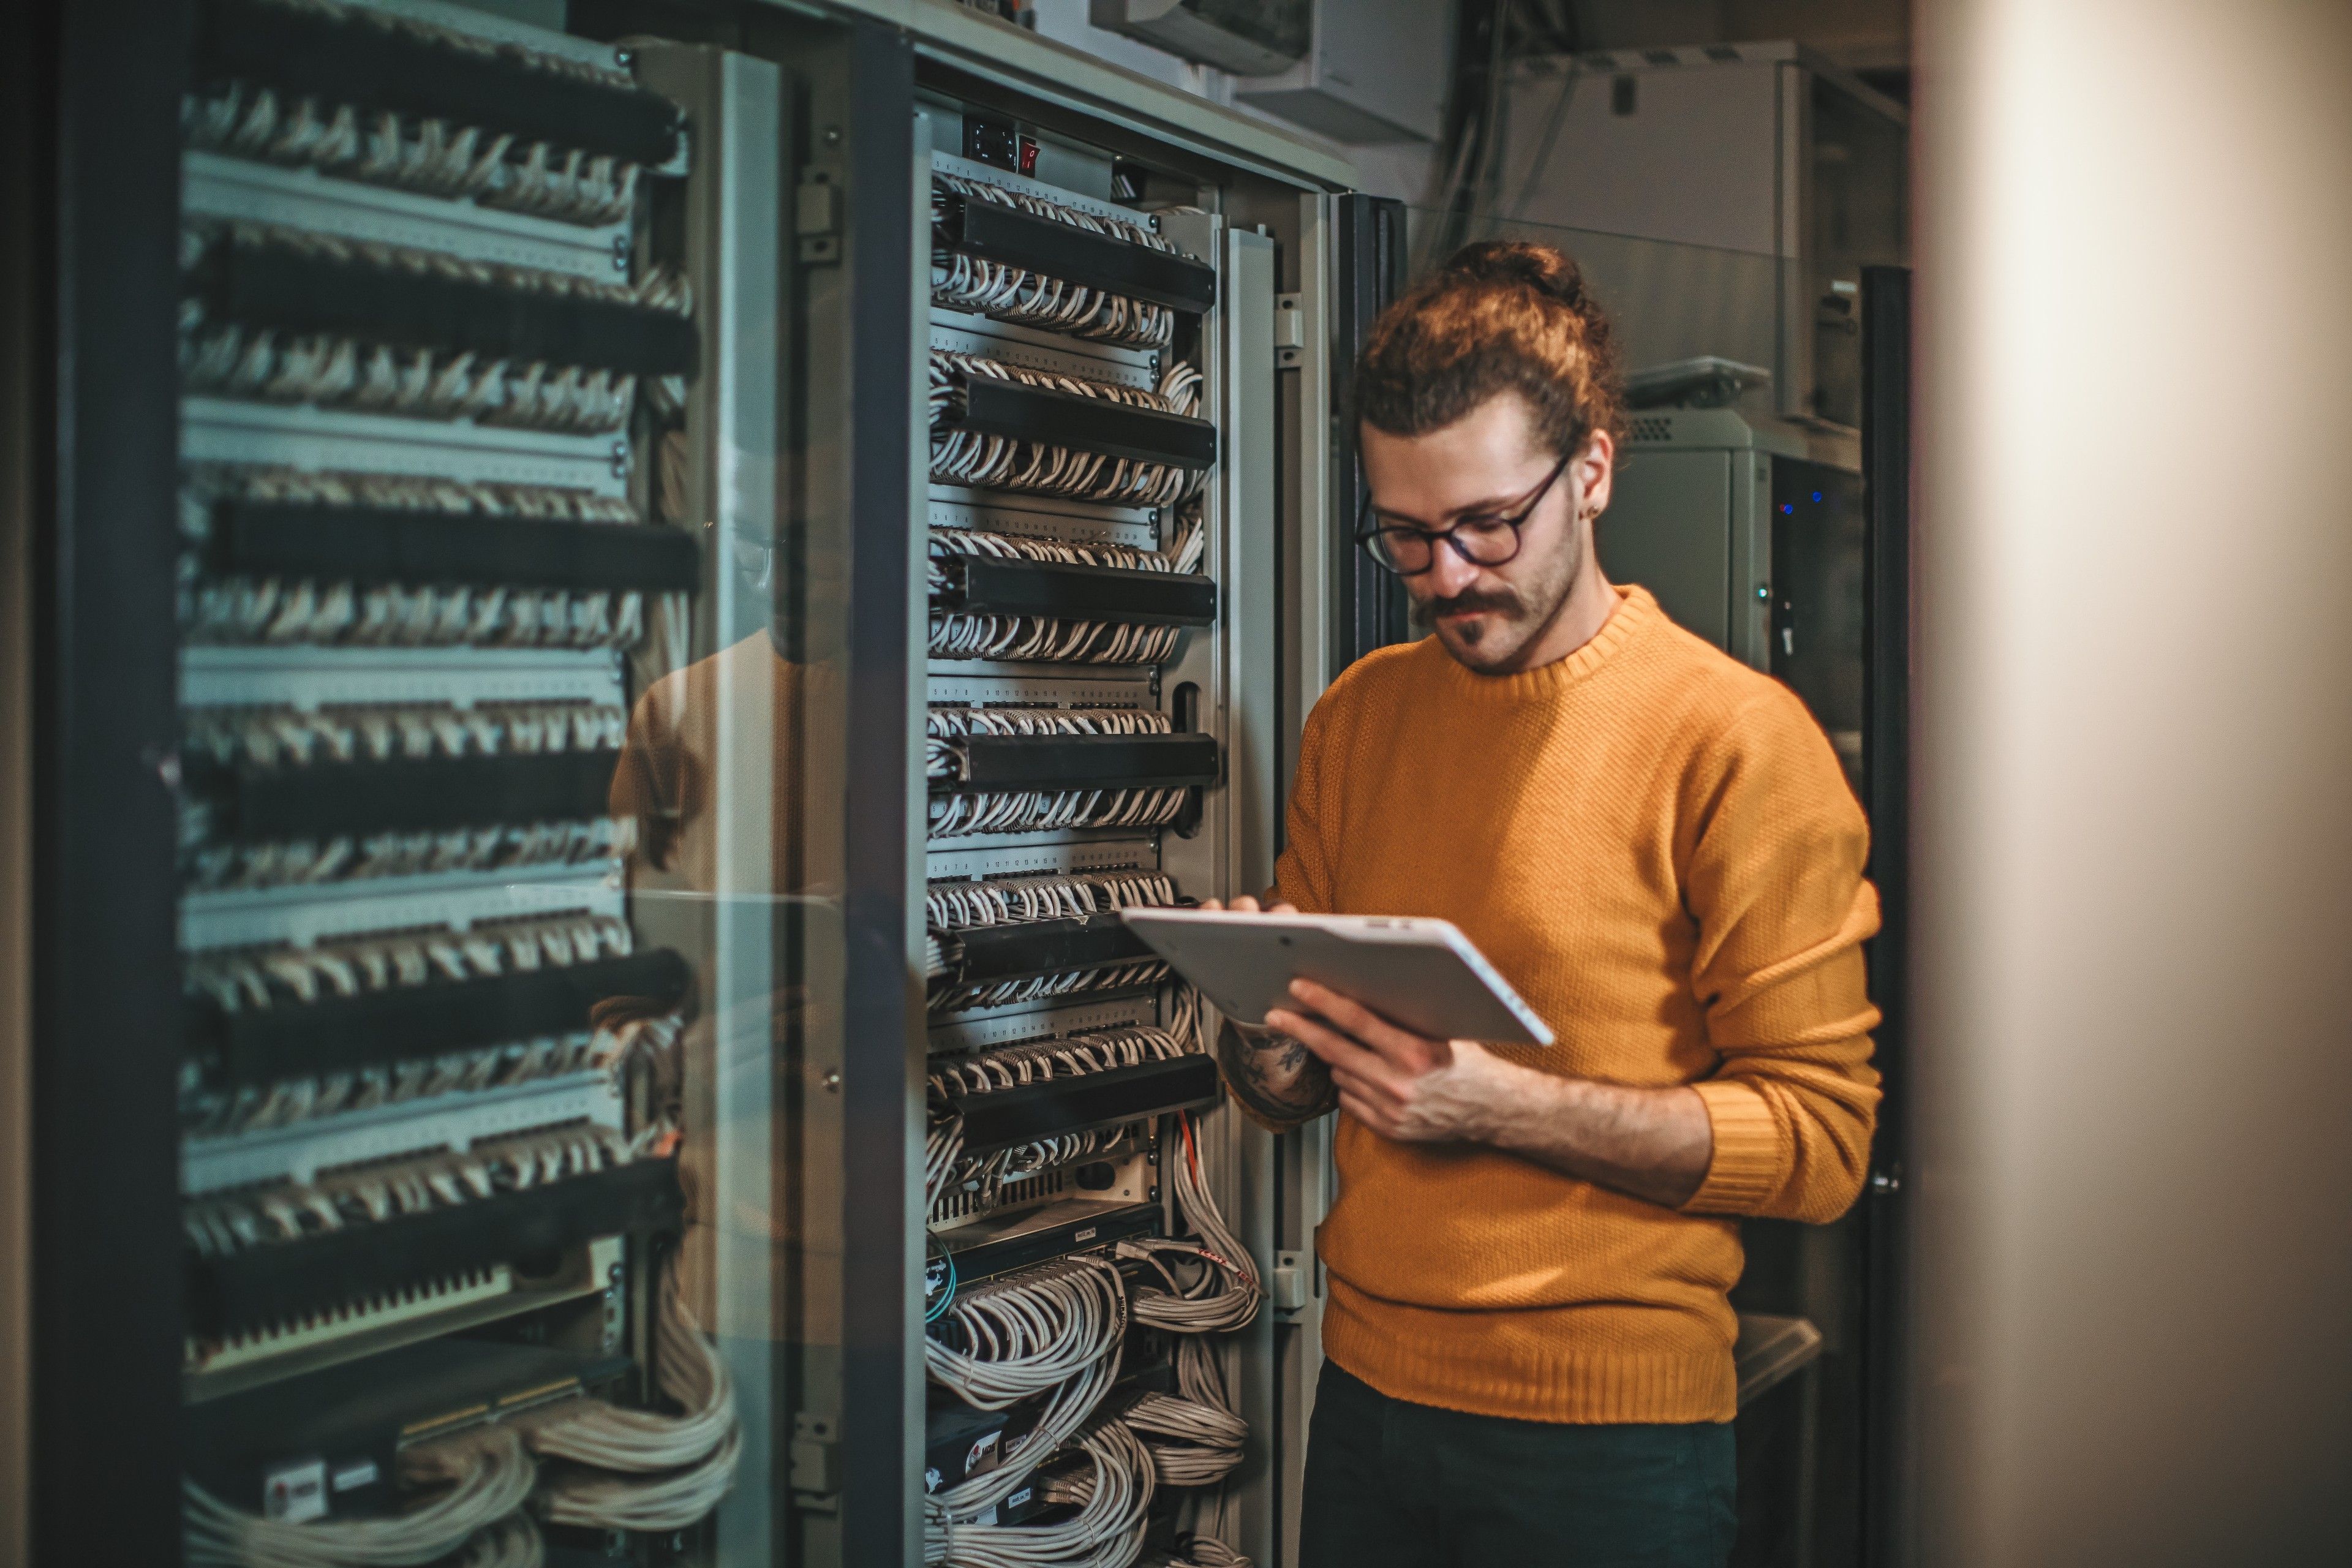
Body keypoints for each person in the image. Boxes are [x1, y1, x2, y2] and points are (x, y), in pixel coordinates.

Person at [1210, 242, 1882, 1567]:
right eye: (1405, 533)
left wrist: (1503, 1103)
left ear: (1592, 472)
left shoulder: (1734, 739)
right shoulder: (1359, 716)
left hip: (1611, 1448)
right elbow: (1293, 1087)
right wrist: (1270, 1041)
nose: (1448, 574)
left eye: (1486, 526)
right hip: (1367, 1400)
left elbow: (1822, 1143)